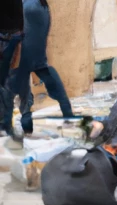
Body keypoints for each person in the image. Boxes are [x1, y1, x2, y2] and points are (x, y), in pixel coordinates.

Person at [11, 0, 74, 136]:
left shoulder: (28, 6)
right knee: (44, 73)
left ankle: (26, 126)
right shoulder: (41, 5)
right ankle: (68, 115)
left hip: (25, 53)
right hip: (37, 53)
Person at [0, 0, 24, 134]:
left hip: (5, 36)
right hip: (13, 35)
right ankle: (6, 124)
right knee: (6, 80)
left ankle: (4, 123)